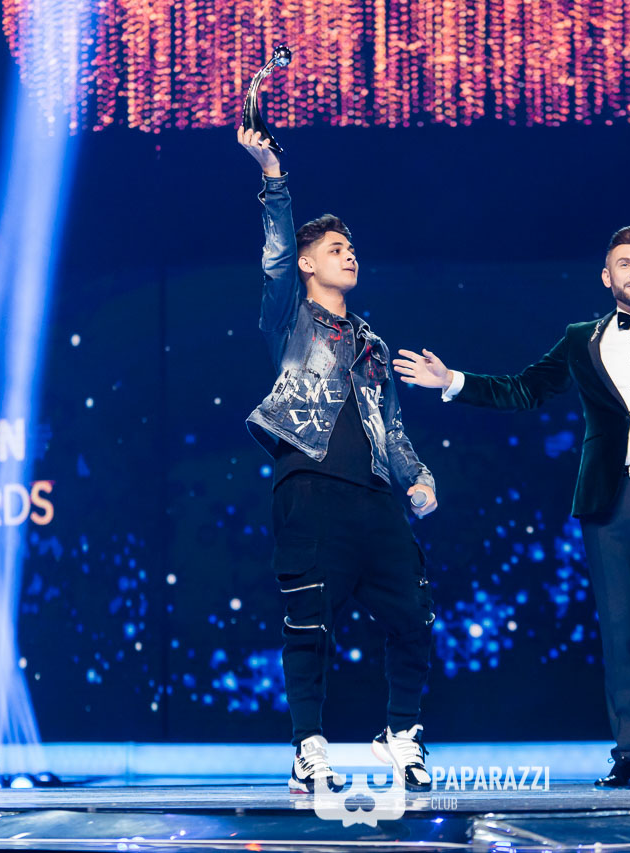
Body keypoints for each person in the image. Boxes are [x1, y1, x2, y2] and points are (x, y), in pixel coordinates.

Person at [394, 227, 630, 789]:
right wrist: (451, 380)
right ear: (606, 277)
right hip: (606, 499)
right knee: (619, 631)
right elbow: (525, 389)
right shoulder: (582, 338)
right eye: (624, 263)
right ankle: (627, 754)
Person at [236, 127, 438, 794]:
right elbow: (273, 257)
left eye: (350, 248)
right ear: (306, 264)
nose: (348, 255)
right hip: (310, 488)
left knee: (413, 614)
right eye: (334, 249)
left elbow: (391, 425)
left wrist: (416, 476)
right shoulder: (289, 317)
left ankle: (401, 736)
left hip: (375, 498)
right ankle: (308, 748)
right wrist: (274, 178)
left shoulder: (373, 344)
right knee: (308, 624)